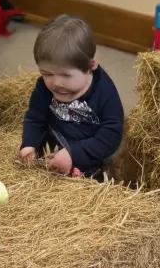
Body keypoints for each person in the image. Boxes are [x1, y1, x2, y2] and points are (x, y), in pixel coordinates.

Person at [20, 14, 124, 178]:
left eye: (66, 76)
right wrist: (29, 144)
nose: (55, 83)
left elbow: (111, 135)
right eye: (47, 73)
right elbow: (35, 117)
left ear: (91, 66)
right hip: (50, 156)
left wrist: (74, 154)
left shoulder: (104, 91)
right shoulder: (44, 87)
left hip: (89, 160)